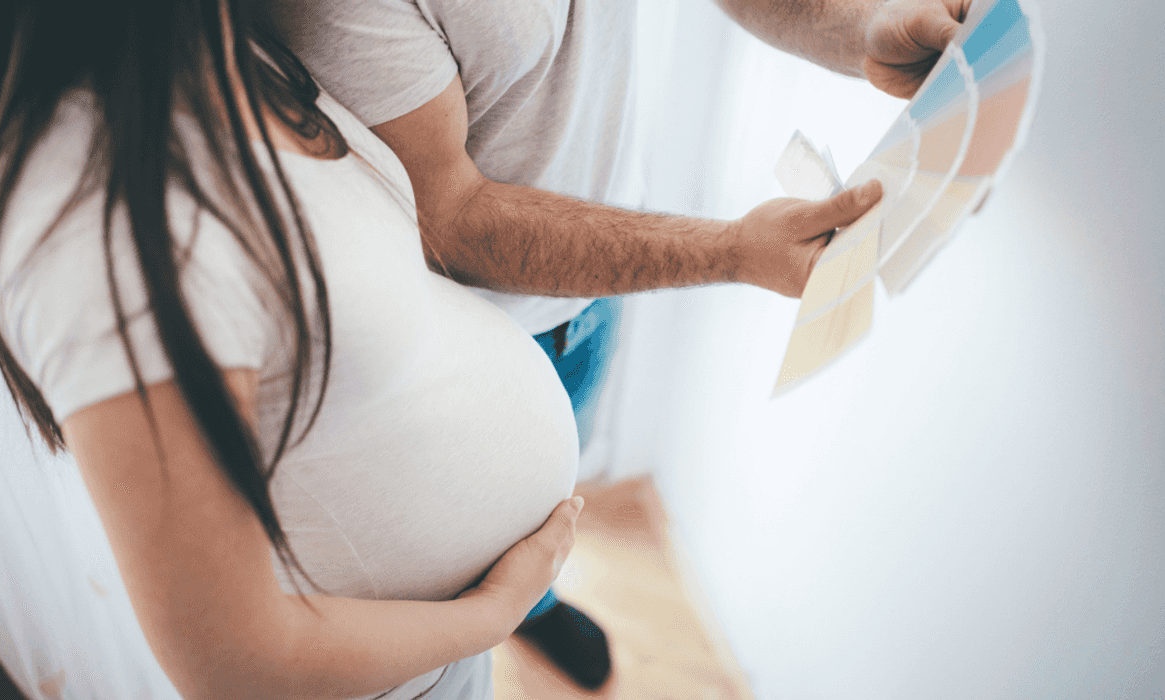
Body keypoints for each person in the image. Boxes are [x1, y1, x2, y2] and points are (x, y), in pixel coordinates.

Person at [266, 0, 963, 688]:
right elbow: (447, 219)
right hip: (465, 348)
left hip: (595, 292)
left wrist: (860, 29)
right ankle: (510, 616)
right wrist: (727, 252)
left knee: (555, 505)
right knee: (471, 561)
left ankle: (535, 606)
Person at [0, 0, 594, 698]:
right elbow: (237, 662)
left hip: (431, 650)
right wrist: (491, 614)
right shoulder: (102, 235)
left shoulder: (226, 49)